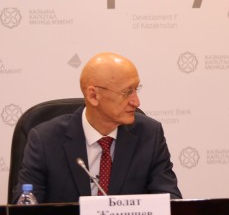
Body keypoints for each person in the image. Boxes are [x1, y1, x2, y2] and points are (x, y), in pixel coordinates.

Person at [13, 52, 181, 203]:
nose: (136, 102)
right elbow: (25, 210)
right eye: (127, 92)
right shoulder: (45, 140)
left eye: (136, 89)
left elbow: (170, 202)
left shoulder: (149, 135)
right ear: (93, 95)